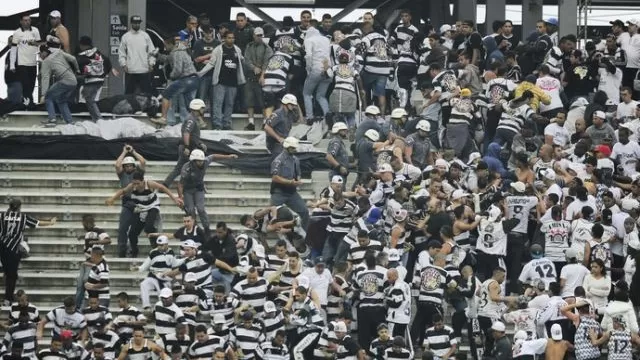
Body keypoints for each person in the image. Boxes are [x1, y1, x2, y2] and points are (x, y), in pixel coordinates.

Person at [105, 170, 183, 258]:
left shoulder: (149, 184)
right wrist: (112, 199)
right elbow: (122, 191)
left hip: (153, 207)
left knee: (149, 228)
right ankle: (134, 250)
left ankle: (156, 248)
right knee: (132, 233)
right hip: (141, 209)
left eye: (138, 183)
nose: (136, 186)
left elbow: (163, 188)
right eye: (134, 183)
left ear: (142, 181)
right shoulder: (132, 186)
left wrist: (175, 199)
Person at [0, 200, 56, 306]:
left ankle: (5, 272)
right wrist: (51, 222)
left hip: (2, 246)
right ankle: (7, 299)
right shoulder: (23, 217)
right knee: (12, 275)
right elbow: (37, 223)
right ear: (19, 207)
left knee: (8, 272)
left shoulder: (2, 216)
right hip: (14, 248)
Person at [178, 149, 238, 233]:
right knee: (190, 210)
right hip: (188, 190)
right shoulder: (186, 168)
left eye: (201, 161)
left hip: (199, 188)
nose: (201, 163)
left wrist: (228, 156)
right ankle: (194, 228)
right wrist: (180, 198)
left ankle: (206, 228)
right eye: (198, 161)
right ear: (193, 161)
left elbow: (213, 156)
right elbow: (180, 184)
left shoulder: (205, 162)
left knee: (201, 208)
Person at [198, 31, 246, 130]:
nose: (231, 40)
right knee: (217, 104)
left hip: (233, 82)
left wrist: (241, 77)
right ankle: (217, 125)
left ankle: (227, 124)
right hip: (220, 82)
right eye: (229, 38)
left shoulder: (237, 49)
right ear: (224, 39)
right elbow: (211, 64)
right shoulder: (218, 49)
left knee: (230, 104)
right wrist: (200, 73)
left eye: (233, 38)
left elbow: (241, 61)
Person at [153, 37, 199, 126]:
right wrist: (157, 55)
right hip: (193, 79)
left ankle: (164, 119)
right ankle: (199, 122)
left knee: (166, 95)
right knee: (188, 103)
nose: (165, 47)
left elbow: (178, 70)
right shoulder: (176, 52)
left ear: (170, 44)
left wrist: (170, 77)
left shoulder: (177, 53)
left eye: (165, 45)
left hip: (187, 79)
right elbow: (167, 59)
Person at [163, 99, 208, 187]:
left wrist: (199, 143)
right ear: (197, 108)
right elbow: (186, 133)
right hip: (188, 148)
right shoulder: (191, 120)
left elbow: (192, 136)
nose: (203, 110)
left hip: (190, 147)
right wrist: (187, 147)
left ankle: (165, 185)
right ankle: (197, 186)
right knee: (192, 168)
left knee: (179, 169)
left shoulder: (192, 119)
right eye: (202, 108)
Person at [269, 137, 309, 230]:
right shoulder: (278, 160)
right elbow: (275, 177)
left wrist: (298, 181)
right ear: (287, 147)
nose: (295, 150)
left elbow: (298, 173)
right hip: (279, 192)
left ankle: (305, 234)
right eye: (293, 148)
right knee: (272, 216)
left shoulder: (295, 160)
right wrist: (290, 182)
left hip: (291, 192)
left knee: (304, 211)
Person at [38, 44, 79, 126]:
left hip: (64, 81)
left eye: (40, 53)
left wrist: (43, 94)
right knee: (61, 100)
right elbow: (73, 58)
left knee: (48, 97)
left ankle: (52, 119)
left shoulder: (46, 62)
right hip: (73, 81)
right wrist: (77, 69)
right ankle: (69, 121)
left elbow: (45, 78)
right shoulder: (59, 53)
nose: (39, 56)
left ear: (44, 52)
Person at [76, 36, 112, 121]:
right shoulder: (99, 53)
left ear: (82, 45)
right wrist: (103, 74)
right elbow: (108, 64)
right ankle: (96, 119)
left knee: (89, 100)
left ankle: (98, 119)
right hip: (100, 79)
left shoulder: (83, 56)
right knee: (90, 99)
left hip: (91, 80)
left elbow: (79, 67)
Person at [244, 27, 273, 130]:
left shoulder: (267, 48)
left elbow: (267, 62)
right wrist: (253, 67)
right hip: (250, 77)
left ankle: (265, 122)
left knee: (263, 101)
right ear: (254, 36)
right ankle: (251, 123)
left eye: (261, 35)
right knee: (249, 100)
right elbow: (246, 60)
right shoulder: (249, 46)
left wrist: (262, 75)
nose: (260, 37)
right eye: (258, 35)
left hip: (262, 77)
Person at [118, 15, 156, 95]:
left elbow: (151, 51)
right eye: (135, 23)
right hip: (130, 70)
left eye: (138, 23)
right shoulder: (126, 37)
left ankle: (146, 108)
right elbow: (121, 52)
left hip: (144, 70)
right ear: (131, 23)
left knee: (147, 94)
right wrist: (124, 65)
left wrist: (151, 63)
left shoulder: (145, 36)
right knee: (129, 94)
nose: (137, 25)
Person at [10, 14, 41, 108]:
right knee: (26, 84)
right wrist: (12, 64)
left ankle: (26, 101)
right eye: (25, 20)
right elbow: (13, 49)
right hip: (22, 63)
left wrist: (40, 60)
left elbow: (40, 46)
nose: (27, 22)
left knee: (32, 84)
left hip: (33, 62)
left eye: (29, 20)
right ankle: (30, 103)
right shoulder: (17, 33)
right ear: (21, 22)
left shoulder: (35, 31)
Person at [303, 26, 331, 120]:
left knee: (307, 93)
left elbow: (309, 56)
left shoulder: (309, 40)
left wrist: (308, 69)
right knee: (321, 96)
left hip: (316, 69)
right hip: (328, 70)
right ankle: (327, 115)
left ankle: (309, 117)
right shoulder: (326, 40)